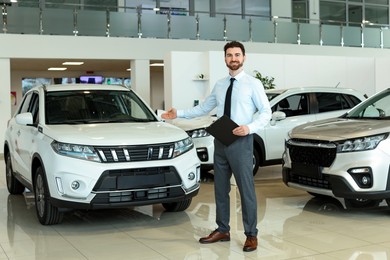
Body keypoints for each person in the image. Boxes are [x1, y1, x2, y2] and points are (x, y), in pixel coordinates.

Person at [162, 41, 272, 252]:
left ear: (244, 57)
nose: (233, 59)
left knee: (245, 189)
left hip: (241, 141)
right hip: (220, 141)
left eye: (237, 55)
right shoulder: (220, 85)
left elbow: (266, 112)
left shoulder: (253, 84)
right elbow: (204, 108)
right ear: (225, 59)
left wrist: (249, 128)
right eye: (229, 55)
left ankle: (251, 234)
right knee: (220, 189)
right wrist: (180, 113)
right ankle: (223, 229)